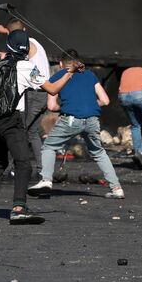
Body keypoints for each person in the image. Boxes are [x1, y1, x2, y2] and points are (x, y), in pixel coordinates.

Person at [0, 30, 66, 221]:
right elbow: (52, 88)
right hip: (13, 120)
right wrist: (69, 73)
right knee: (23, 165)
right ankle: (19, 209)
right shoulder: (26, 67)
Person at [31, 50, 124, 197]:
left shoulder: (56, 77)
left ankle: (46, 180)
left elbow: (51, 106)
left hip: (70, 119)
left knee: (49, 147)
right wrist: (87, 104)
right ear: (78, 62)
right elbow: (105, 100)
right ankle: (117, 189)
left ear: (61, 64)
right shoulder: (90, 75)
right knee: (99, 152)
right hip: (92, 120)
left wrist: (69, 106)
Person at [0, 19, 51, 181]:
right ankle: (39, 170)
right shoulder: (33, 41)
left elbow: (20, 62)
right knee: (31, 132)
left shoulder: (27, 45)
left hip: (34, 93)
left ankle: (25, 169)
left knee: (22, 132)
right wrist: (5, 31)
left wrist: (6, 57)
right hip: (40, 92)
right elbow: (18, 35)